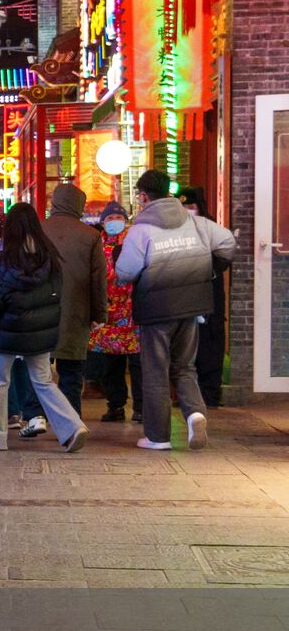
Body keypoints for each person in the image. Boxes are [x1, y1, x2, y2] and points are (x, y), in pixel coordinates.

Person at [116, 170, 234, 450]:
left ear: (143, 196)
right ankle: (195, 413)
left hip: (156, 312)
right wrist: (209, 267)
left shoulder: (141, 230)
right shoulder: (196, 223)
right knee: (185, 367)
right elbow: (228, 242)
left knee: (156, 370)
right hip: (192, 307)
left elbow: (125, 271)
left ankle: (158, 437)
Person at [0, 203, 89, 453]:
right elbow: (57, 295)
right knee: (44, 380)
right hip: (41, 332)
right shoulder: (50, 257)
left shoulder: (3, 259)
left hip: (7, 332)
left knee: (0, 381)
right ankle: (72, 426)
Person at [42, 181, 109, 418]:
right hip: (75, 311)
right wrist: (100, 315)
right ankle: (70, 421)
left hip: (39, 312)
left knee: (37, 369)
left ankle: (36, 416)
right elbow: (98, 280)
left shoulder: (38, 229)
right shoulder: (90, 235)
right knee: (71, 372)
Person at [90, 201, 142, 424]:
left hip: (132, 310)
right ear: (103, 222)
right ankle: (116, 405)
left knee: (138, 362)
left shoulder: (133, 241)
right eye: (110, 219)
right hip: (107, 312)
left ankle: (140, 407)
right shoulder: (96, 245)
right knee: (111, 364)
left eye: (118, 218)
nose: (114, 222)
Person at [181, 189, 228, 408]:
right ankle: (188, 395)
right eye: (183, 207)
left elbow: (223, 260)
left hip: (209, 297)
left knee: (209, 344)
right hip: (185, 298)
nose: (188, 212)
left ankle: (210, 394)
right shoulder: (176, 231)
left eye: (191, 207)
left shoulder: (214, 230)